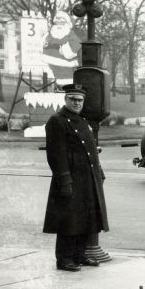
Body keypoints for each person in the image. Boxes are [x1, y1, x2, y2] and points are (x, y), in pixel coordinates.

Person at [43, 84, 109, 272]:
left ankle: (79, 255)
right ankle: (64, 259)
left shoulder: (82, 120)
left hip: (87, 179)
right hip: (70, 178)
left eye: (80, 100)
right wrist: (64, 180)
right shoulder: (57, 121)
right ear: (66, 99)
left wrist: (99, 173)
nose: (77, 103)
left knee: (85, 218)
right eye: (73, 99)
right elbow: (56, 155)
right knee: (68, 221)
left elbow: (91, 152)